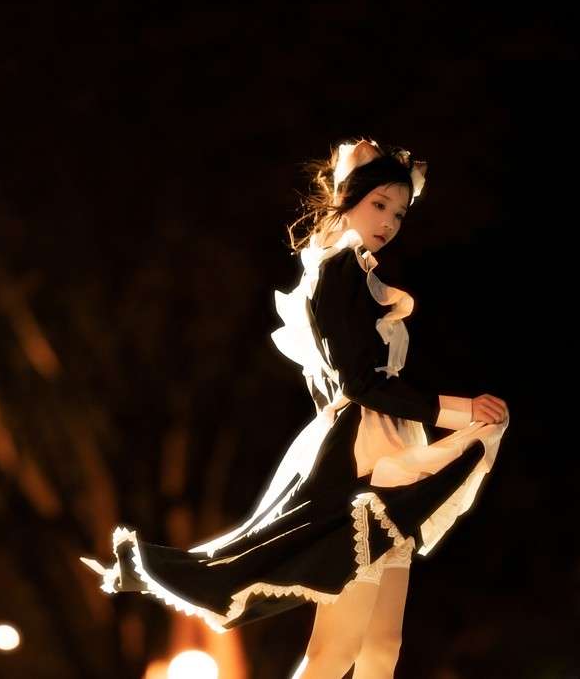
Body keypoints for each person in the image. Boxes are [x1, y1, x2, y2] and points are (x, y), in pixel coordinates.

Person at [80, 138, 510, 678]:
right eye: (379, 204)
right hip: (362, 462)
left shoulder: (358, 275)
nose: (389, 221)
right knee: (338, 649)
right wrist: (458, 410)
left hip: (390, 452)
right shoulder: (337, 271)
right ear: (348, 198)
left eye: (399, 213)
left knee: (381, 647)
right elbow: (358, 383)